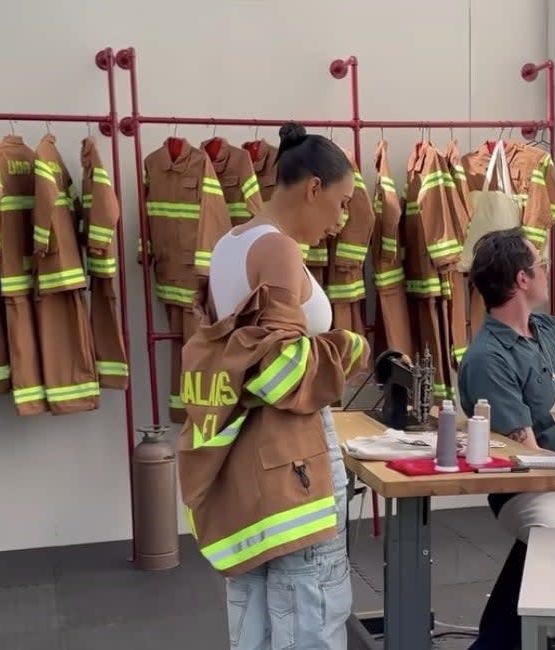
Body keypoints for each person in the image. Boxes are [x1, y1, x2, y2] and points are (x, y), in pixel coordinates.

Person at [176, 121, 370, 650]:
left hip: (242, 455)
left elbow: (234, 354)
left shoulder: (227, 245)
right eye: (342, 201)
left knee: (254, 616)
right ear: (313, 188)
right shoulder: (280, 250)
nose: (342, 219)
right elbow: (279, 371)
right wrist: (349, 347)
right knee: (312, 608)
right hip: (293, 455)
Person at [458, 228, 555, 650]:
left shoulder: (547, 331)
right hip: (529, 485)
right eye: (540, 264)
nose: (546, 270)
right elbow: (525, 455)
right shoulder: (488, 357)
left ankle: (500, 640)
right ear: (521, 280)